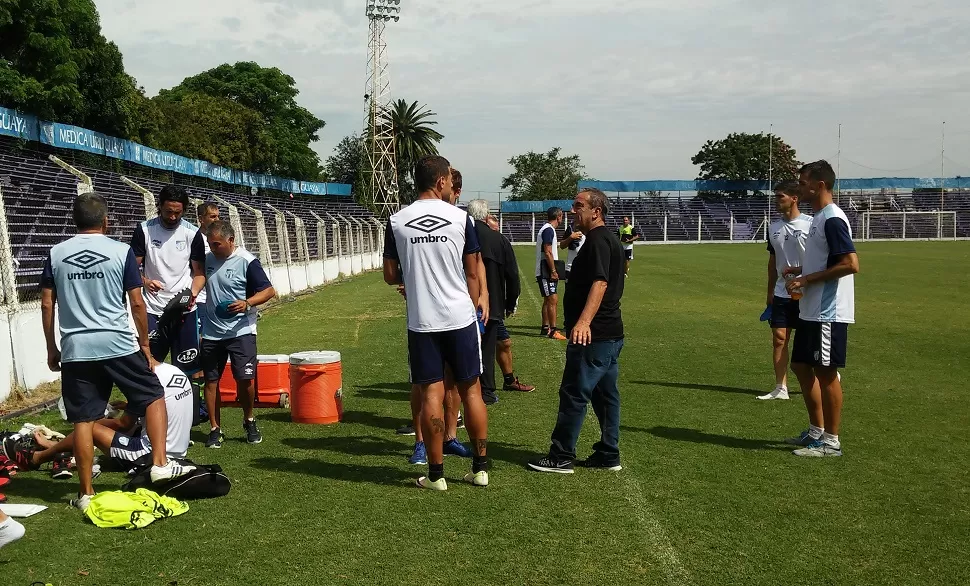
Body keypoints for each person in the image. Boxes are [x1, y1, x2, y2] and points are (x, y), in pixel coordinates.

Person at [39, 192, 194, 511]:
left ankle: (85, 494)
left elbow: (46, 303)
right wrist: (146, 347)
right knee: (152, 395)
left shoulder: (56, 253)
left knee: (83, 419)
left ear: (74, 220)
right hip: (117, 343)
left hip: (76, 347)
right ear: (106, 221)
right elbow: (137, 302)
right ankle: (161, 464)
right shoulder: (120, 251)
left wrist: (52, 348)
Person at [383, 154, 490, 490]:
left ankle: (436, 476)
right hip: (460, 317)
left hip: (423, 320)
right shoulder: (461, 219)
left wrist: (412, 277)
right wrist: (472, 308)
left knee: (431, 392)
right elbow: (473, 272)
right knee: (471, 391)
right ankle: (481, 468)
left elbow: (389, 275)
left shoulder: (397, 220)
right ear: (442, 181)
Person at [529, 188, 625, 474]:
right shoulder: (609, 240)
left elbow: (600, 283)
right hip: (609, 333)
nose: (573, 210)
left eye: (579, 205)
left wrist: (583, 322)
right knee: (606, 396)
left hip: (594, 335)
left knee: (573, 392)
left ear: (596, 211)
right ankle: (609, 453)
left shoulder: (597, 240)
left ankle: (561, 455)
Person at [784, 160, 859, 457]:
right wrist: (801, 270)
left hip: (828, 311)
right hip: (811, 310)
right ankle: (816, 431)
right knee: (801, 365)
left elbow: (850, 264)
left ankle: (831, 441)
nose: (800, 188)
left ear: (820, 185)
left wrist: (806, 278)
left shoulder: (832, 219)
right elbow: (828, 259)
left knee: (826, 372)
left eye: (803, 183)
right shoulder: (819, 217)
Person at [7, 363, 194, 473]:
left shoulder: (145, 382)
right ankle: (65, 448)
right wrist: (129, 406)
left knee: (90, 428)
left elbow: (123, 424)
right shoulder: (172, 370)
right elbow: (165, 408)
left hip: (151, 455)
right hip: (179, 450)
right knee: (104, 428)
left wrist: (90, 423)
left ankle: (39, 457)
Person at [199, 221, 277, 448]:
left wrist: (247, 303)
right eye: (210, 244)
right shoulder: (207, 259)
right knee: (211, 382)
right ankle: (215, 428)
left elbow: (269, 290)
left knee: (245, 379)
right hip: (212, 332)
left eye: (217, 244)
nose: (213, 248)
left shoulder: (247, 261)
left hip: (241, 331)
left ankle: (249, 419)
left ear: (231, 240)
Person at [131, 186, 206, 385]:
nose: (173, 217)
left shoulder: (192, 233)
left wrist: (192, 294)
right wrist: (145, 282)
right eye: (168, 212)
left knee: (189, 369)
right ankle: (151, 412)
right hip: (153, 311)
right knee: (149, 366)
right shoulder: (144, 230)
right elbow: (131, 270)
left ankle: (192, 412)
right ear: (159, 207)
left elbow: (199, 274)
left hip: (185, 311)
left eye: (178, 213)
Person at [467, 199, 535, 402]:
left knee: (471, 345)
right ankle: (486, 391)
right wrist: (510, 302)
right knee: (488, 346)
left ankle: (463, 386)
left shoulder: (461, 236)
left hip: (463, 301)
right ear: (487, 215)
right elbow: (512, 275)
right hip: (493, 303)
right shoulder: (499, 240)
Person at [758, 180, 812, 401]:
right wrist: (770, 292)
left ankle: (827, 373)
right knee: (779, 338)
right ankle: (781, 388)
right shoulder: (773, 228)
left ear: (794, 198)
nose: (776, 200)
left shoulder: (812, 224)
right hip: (782, 292)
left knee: (810, 340)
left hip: (809, 291)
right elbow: (772, 263)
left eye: (780, 196)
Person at [485, 216, 536, 393]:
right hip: (481, 305)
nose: (496, 233)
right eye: (493, 229)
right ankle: (480, 387)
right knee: (482, 346)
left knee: (504, 342)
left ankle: (509, 380)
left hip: (494, 305)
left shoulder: (497, 245)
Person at [535, 207, 567, 340]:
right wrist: (553, 271)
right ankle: (553, 331)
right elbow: (548, 251)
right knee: (552, 299)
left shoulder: (547, 229)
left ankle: (545, 327)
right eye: (562, 216)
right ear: (558, 216)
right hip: (546, 271)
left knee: (548, 299)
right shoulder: (548, 230)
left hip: (545, 269)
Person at [194, 202, 221, 331]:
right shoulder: (195, 239)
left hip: (217, 296)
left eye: (217, 216)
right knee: (202, 335)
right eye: (212, 216)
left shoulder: (219, 239)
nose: (217, 220)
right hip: (201, 297)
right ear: (201, 219)